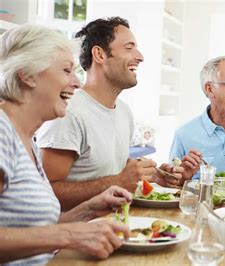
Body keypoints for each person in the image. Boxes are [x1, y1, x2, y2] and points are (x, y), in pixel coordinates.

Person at [0, 24, 131, 265]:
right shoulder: (2, 132)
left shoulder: (28, 140)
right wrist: (70, 235)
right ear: (28, 74)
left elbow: (37, 231)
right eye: (66, 71)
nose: (77, 83)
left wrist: (88, 210)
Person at [36, 17, 183, 210]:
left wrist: (152, 176)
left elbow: (111, 172)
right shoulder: (68, 112)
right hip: (77, 233)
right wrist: (119, 181)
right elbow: (47, 192)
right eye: (129, 48)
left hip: (115, 227)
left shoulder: (124, 112)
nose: (140, 56)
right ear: (99, 54)